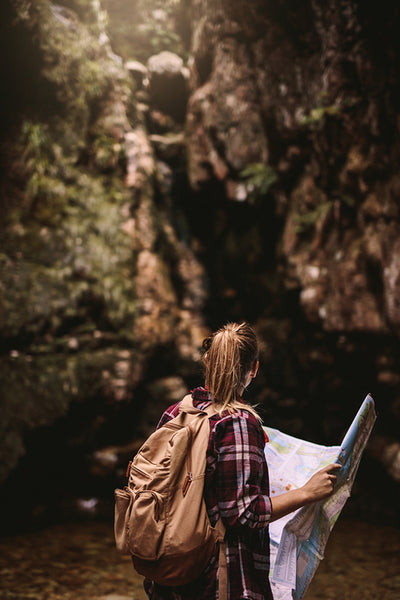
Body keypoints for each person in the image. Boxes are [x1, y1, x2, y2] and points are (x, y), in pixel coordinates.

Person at [144, 321, 340, 600]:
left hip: (170, 573)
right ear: (254, 368)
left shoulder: (177, 412)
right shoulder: (237, 423)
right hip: (217, 579)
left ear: (207, 362)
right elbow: (243, 514)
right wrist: (306, 493)